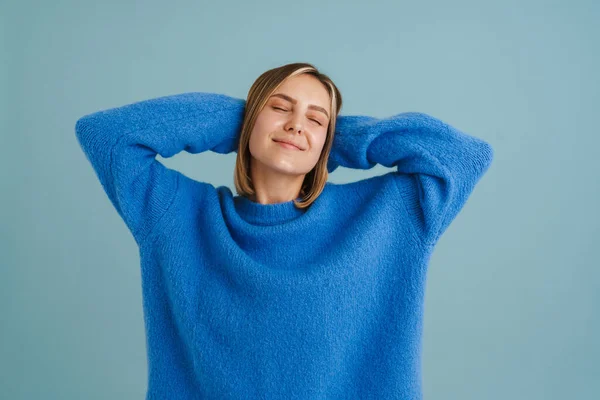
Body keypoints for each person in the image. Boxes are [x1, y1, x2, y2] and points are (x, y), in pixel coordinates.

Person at [75, 62, 494, 399]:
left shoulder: (389, 215)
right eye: (279, 107)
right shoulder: (177, 215)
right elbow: (106, 135)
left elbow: (464, 155)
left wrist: (331, 139)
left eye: (316, 118)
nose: (296, 124)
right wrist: (244, 122)